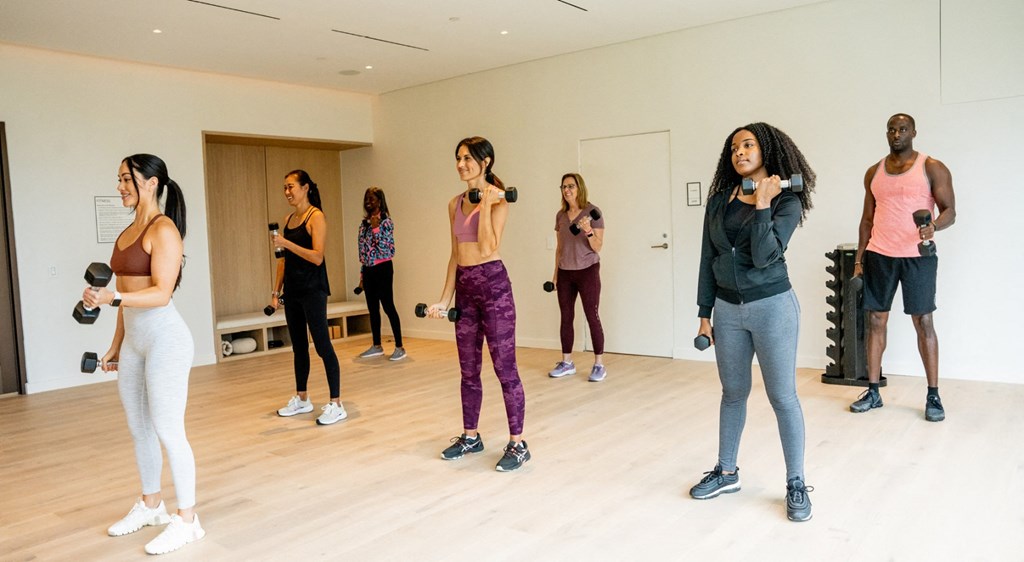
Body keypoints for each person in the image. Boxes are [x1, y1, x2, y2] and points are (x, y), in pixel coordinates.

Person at [690, 123, 817, 522]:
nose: (739, 152)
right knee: (733, 392)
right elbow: (708, 259)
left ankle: (795, 482)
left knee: (782, 396)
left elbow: (765, 257)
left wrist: (763, 204)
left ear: (768, 151)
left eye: (748, 145)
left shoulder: (787, 202)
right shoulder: (718, 201)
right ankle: (727, 471)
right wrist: (703, 314)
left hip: (772, 307)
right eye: (733, 148)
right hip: (727, 311)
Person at [82, 154, 205, 554]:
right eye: (118, 179)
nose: (119, 186)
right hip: (135, 341)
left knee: (169, 429)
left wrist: (112, 296)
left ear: (150, 183)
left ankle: (187, 521)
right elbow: (128, 302)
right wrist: (116, 344)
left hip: (166, 339)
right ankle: (152, 505)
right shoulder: (127, 232)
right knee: (139, 427)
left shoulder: (163, 229)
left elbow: (160, 293)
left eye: (125, 179)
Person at [427, 136, 530, 472]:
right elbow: (456, 255)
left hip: (493, 286)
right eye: (458, 158)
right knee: (468, 370)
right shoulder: (453, 203)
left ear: (485, 163)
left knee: (505, 369)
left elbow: (487, 247)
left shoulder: (500, 202)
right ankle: (471, 436)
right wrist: (444, 299)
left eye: (468, 158)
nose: (461, 164)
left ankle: (518, 444)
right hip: (466, 289)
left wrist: (486, 204)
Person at [849, 113, 956, 422]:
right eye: (892, 130)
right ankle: (873, 391)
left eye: (903, 129)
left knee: (923, 322)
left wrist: (933, 226)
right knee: (876, 321)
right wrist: (859, 260)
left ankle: (933, 396)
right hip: (880, 254)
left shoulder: (932, 167)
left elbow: (950, 211)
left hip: (917, 257)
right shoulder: (874, 172)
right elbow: (867, 219)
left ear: (914, 132)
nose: (897, 134)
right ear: (887, 133)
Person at [269, 170, 347, 426]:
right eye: (285, 188)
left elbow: (317, 257)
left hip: (314, 290)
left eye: (291, 186)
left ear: (305, 188)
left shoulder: (317, 217)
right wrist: (275, 292)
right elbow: (283, 261)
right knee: (299, 347)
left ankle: (336, 404)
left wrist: (286, 243)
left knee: (323, 345)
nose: (288, 192)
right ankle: (302, 399)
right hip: (292, 291)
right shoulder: (289, 218)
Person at [547, 173, 607, 381]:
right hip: (565, 272)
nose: (567, 190)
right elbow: (560, 247)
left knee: (592, 315)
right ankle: (567, 363)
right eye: (563, 187)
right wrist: (555, 274)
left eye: (571, 186)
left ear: (579, 188)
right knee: (566, 317)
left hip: (587, 270)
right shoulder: (561, 216)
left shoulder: (593, 212)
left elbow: (598, 246)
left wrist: (589, 231)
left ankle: (599, 364)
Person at [355, 186, 405, 361]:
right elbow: (363, 252)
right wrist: (362, 275)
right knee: (372, 309)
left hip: (382, 269)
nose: (369, 202)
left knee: (388, 306)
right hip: (368, 270)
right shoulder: (363, 225)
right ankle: (377, 345)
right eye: (367, 199)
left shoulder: (386, 222)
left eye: (373, 199)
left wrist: (376, 229)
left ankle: (400, 347)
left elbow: (387, 251)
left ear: (380, 202)